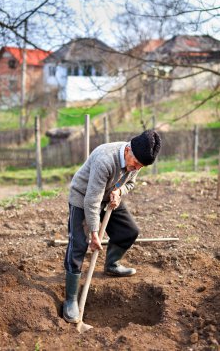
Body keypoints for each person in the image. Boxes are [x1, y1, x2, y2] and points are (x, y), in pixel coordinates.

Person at [63, 129, 161, 323]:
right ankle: (70, 299)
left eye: (140, 167)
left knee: (129, 231)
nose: (136, 168)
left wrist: (119, 190)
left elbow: (130, 184)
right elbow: (91, 200)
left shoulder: (137, 159)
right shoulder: (105, 160)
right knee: (79, 245)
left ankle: (112, 264)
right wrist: (94, 233)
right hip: (83, 197)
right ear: (128, 151)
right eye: (135, 164)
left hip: (109, 197)